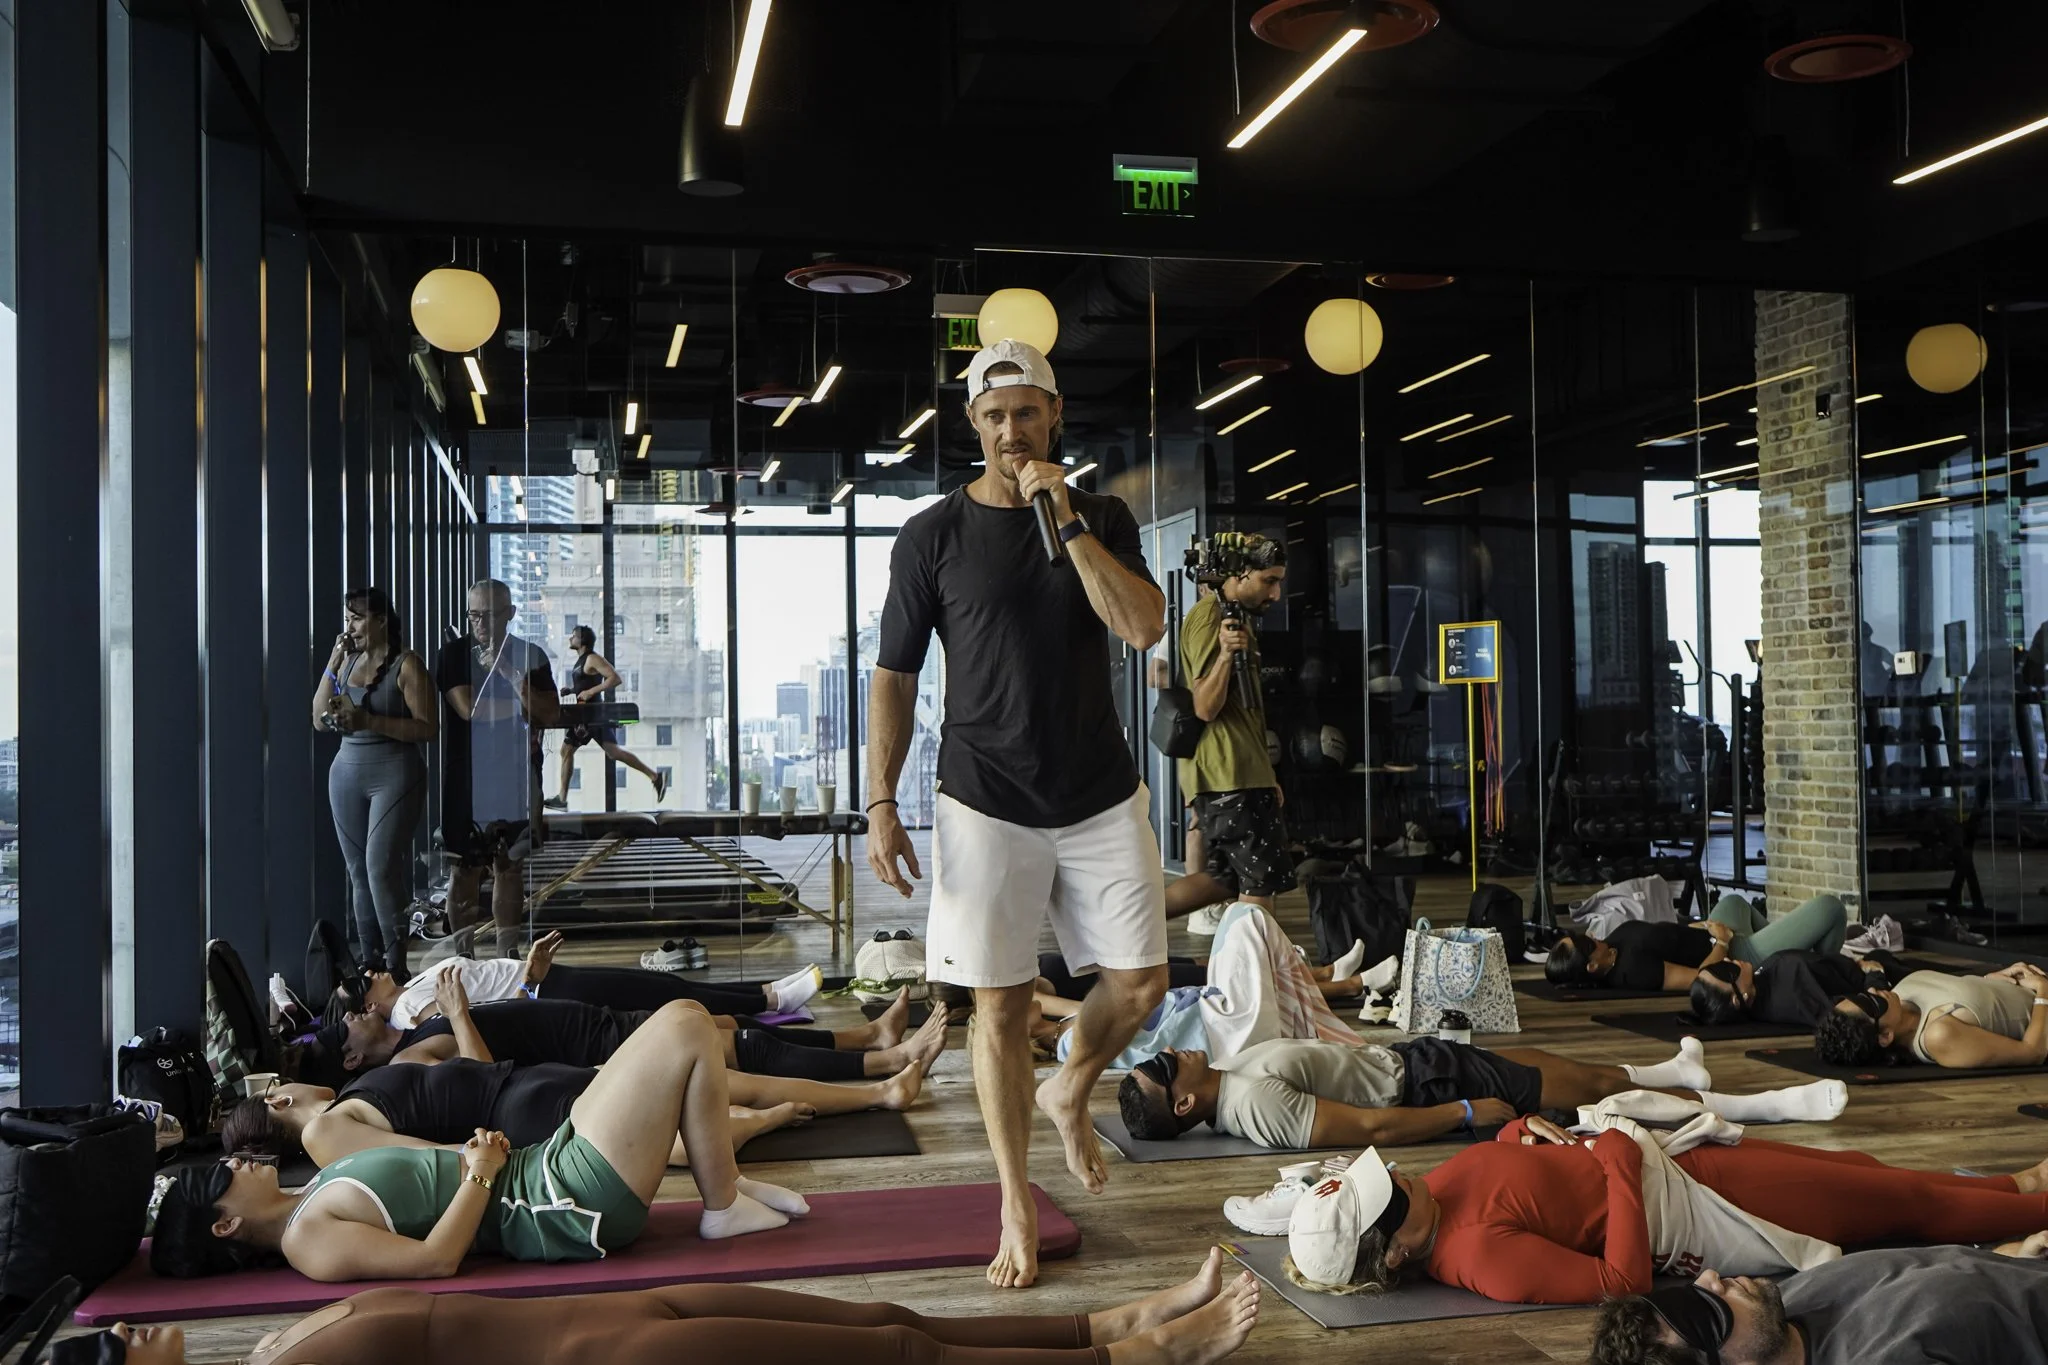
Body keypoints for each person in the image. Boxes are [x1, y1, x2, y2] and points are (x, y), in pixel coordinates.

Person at [865, 337, 1168, 1287]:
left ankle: (1069, 1085)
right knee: (996, 1006)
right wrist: (880, 797)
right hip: (985, 795)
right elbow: (894, 675)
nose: (1011, 431)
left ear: (1054, 414)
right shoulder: (931, 535)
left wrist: (1066, 521)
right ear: (973, 423)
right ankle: (1014, 1199)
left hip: (1098, 789)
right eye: (994, 416)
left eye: (1026, 412)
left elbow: (1143, 624)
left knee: (1143, 983)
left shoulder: (1102, 516)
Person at [152, 1001, 807, 1281]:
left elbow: (427, 1168)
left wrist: (476, 1153)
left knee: (687, 1020)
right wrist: (482, 1171)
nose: (235, 1162)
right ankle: (723, 1202)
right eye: (222, 1175)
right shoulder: (307, 1242)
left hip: (539, 1164)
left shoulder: (314, 1189)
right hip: (558, 1203)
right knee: (683, 1030)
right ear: (225, 1223)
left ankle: (726, 1187)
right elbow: (435, 1260)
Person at [1280, 1115, 2048, 1307]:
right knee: (1901, 1206)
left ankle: (2014, 1186)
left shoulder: (1432, 1192)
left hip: (1678, 1164)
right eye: (1388, 1195)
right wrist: (1616, 1163)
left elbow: (1510, 1169)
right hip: (1702, 1201)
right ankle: (2030, 1200)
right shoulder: (1478, 1257)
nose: (1400, 1175)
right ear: (1393, 1252)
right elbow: (1623, 1281)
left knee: (1866, 1174)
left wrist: (1520, 1133)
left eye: (1380, 1174)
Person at [52, 1251, 1262, 1365]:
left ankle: (1102, 1325)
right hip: (612, 1356)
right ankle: (1142, 1358)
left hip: (627, 1312)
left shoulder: (264, 1352)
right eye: (111, 1362)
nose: (125, 1336)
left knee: (882, 1321)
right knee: (895, 1356)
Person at [1119, 1034, 1845, 1156]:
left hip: (1416, 1061)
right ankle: (1764, 1106)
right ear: (1184, 1105)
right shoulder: (1255, 1105)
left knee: (1561, 1065)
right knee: (1589, 1091)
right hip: (1433, 1085)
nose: (1170, 1053)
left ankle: (1674, 1070)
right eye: (1163, 1065)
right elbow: (1369, 1129)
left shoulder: (1228, 1078)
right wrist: (1462, 1112)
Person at [330, 969, 950, 1085]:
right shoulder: (407, 1061)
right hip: (597, 1048)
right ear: (352, 1058)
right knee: (745, 1046)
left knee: (733, 1024)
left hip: (590, 1024)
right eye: (347, 1025)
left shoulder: (411, 1029)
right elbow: (480, 1078)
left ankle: (868, 1038)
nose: (355, 1015)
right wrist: (461, 1014)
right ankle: (885, 1063)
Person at [1588, 1240, 2048, 1365]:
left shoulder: (1784, 1305)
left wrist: (2010, 1257)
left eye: (1690, 1291)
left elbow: (1932, 1271)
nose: (1710, 1277)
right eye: (1706, 1311)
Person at [1034, 905, 1373, 1071]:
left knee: (1248, 929)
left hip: (1214, 1023)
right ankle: (1345, 987)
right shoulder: (1070, 1042)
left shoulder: (1068, 1033)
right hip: (1218, 1028)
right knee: (1245, 917)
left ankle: (1343, 986)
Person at [1166, 535, 1292, 920]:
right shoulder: (1210, 617)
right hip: (1231, 776)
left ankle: (1122, 925)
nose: (1276, 593)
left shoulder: (1233, 616)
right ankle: (1258, 964)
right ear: (1240, 573)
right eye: (1269, 581)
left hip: (1241, 771)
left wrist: (1266, 774)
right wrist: (1224, 656)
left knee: (1222, 880)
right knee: (1259, 884)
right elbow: (1204, 706)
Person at [315, 588, 437, 975]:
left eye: (357, 618)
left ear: (381, 620)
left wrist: (369, 721)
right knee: (357, 871)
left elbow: (429, 728)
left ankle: (396, 965)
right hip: (346, 772)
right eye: (347, 619)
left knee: (380, 867)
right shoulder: (347, 661)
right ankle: (371, 965)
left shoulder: (407, 664)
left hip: (395, 772)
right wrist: (333, 661)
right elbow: (318, 719)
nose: (350, 627)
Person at [344, 930, 823, 1028]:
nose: (371, 971)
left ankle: (767, 993)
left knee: (668, 988)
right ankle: (770, 1001)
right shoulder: (408, 1010)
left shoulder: (411, 985)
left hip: (546, 981)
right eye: (364, 981)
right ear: (368, 1006)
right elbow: (465, 1023)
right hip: (545, 996)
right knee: (664, 996)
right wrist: (527, 984)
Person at [437, 578, 559, 959]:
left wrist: (509, 673)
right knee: (464, 867)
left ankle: (508, 954)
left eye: (489, 615)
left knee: (510, 865)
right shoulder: (453, 654)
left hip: (515, 773)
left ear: (510, 614)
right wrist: (523, 707)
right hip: (468, 774)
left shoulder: (529, 655)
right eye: (473, 615)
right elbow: (470, 709)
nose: (480, 624)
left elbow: (551, 714)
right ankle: (463, 956)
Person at [1546, 894, 1848, 995]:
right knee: (1829, 908)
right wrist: (1722, 941)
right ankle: (1833, 974)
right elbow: (1702, 979)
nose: (1591, 937)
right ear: (1591, 966)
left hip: (1714, 931)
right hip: (1737, 952)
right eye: (1586, 943)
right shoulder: (1634, 970)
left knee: (1733, 902)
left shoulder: (1610, 946)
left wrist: (1704, 926)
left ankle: (1799, 965)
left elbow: (1669, 936)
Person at [1816, 961, 2048, 1068]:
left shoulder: (1901, 992)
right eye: (1872, 1003)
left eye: (1862, 994)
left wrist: (1993, 979)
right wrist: (2044, 990)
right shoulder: (1939, 1035)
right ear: (1885, 1036)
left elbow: (1979, 1002)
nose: (1874, 991)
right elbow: (2032, 1052)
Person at [545, 624, 666, 809]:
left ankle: (562, 799)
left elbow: (615, 678)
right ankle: (655, 777)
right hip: (586, 714)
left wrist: (591, 692)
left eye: (574, 635)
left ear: (583, 640)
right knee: (611, 752)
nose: (570, 638)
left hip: (592, 715)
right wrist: (571, 690)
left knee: (568, 750)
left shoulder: (592, 658)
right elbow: (586, 683)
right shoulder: (582, 660)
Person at [1684, 948, 1905, 1029]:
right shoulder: (1792, 999)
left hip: (1856, 965)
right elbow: (1850, 1013)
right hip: (1886, 981)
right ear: (1738, 998)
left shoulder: (1760, 985)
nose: (1728, 961)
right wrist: (1875, 976)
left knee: (1880, 954)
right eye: (1726, 972)